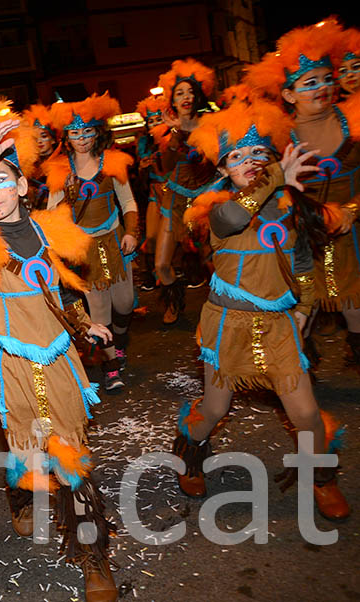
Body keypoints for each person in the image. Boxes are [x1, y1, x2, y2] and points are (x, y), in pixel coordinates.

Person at [0, 99, 118, 601]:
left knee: (71, 459)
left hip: (57, 359)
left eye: (1, 180)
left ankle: (93, 558)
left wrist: (87, 325)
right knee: (24, 448)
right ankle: (20, 493)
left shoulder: (48, 230)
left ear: (20, 185)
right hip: (8, 367)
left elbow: (55, 293)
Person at [172, 99, 350, 522]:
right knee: (214, 410)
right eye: (237, 156)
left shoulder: (293, 208)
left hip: (278, 327)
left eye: (260, 153)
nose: (250, 161)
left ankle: (320, 479)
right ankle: (189, 453)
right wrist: (275, 177)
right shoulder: (216, 210)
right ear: (222, 169)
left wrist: (304, 306)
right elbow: (237, 215)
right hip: (227, 327)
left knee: (306, 413)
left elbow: (304, 264)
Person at [245, 20, 360, 365]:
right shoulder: (279, 136)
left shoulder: (355, 118)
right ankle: (299, 387)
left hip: (355, 233)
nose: (323, 87)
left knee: (357, 309)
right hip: (307, 238)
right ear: (289, 94)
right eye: (310, 83)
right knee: (301, 313)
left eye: (327, 78)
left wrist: (353, 210)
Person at [45, 93, 138, 391]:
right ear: (67, 137)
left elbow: (129, 203)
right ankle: (111, 366)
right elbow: (51, 214)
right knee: (99, 311)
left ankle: (119, 341)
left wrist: (131, 232)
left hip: (115, 242)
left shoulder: (113, 162)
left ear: (98, 131)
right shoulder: (60, 170)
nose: (81, 138)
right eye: (74, 132)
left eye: (87, 131)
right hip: (86, 250)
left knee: (124, 305)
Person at [153, 59, 219, 324]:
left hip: (207, 198)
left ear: (198, 95)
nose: (186, 97)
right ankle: (174, 298)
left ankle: (223, 304)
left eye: (190, 91)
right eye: (180, 93)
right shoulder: (167, 130)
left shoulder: (211, 124)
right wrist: (174, 132)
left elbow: (212, 159)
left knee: (214, 263)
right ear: (173, 99)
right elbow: (167, 166)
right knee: (160, 264)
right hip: (176, 199)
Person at [135, 94, 168, 291]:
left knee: (187, 238)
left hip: (176, 194)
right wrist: (143, 168)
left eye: (158, 119)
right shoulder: (144, 144)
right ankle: (158, 273)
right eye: (150, 120)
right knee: (152, 236)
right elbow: (141, 180)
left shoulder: (175, 139)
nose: (154, 124)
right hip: (155, 193)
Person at [22, 103, 58, 210]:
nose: (39, 141)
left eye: (44, 136)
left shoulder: (64, 162)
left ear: (53, 139)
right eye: (35, 137)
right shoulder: (28, 165)